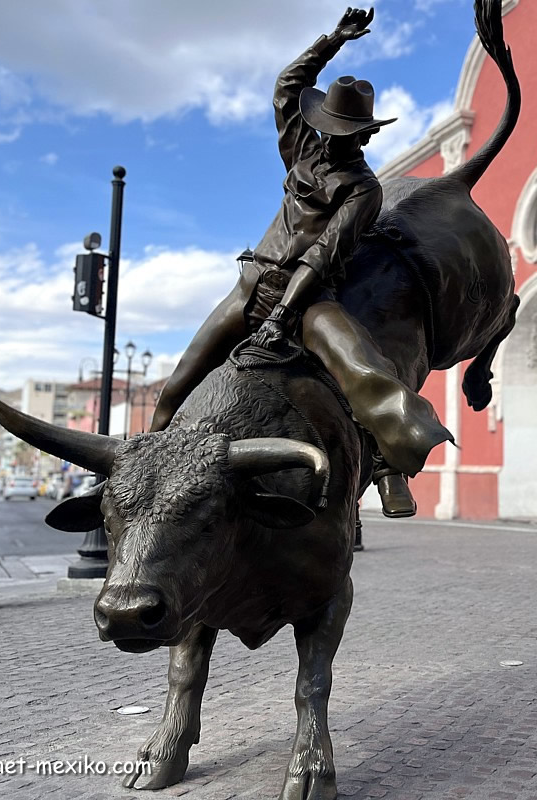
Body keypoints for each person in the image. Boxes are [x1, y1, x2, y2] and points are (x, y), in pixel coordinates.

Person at [150, 7, 451, 517]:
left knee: (367, 375)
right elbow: (287, 86)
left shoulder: (364, 190)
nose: (331, 137)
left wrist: (283, 317)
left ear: (364, 135)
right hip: (250, 286)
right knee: (177, 384)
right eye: (327, 126)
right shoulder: (301, 153)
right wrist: (332, 40)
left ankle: (390, 469)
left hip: (309, 298)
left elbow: (323, 253)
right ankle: (139, 469)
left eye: (343, 130)